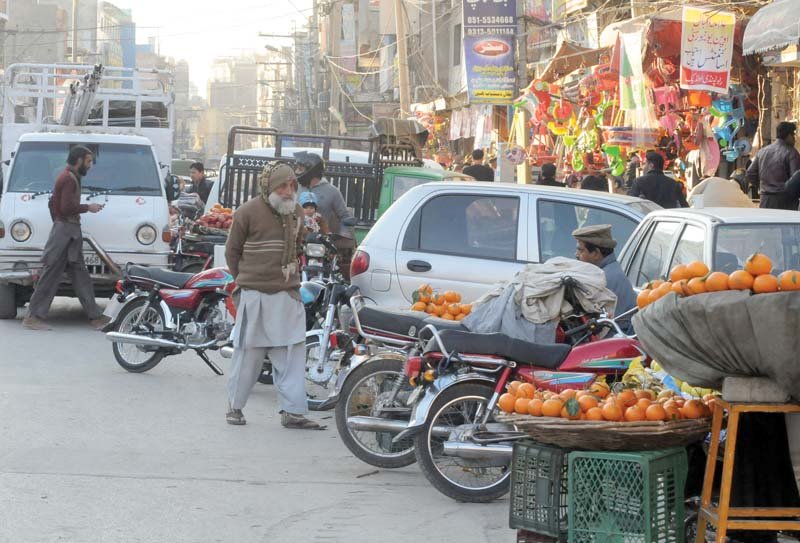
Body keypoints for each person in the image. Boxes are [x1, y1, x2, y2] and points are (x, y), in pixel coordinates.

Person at [224, 161, 325, 430]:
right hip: (255, 295)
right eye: (282, 185)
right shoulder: (247, 212)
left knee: (292, 354)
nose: (288, 191)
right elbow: (232, 252)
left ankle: (292, 412)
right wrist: (246, 280)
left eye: (292, 185)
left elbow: (299, 246)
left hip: (287, 295)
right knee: (248, 355)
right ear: (268, 187)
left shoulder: (297, 213)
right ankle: (235, 408)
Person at [22, 146, 110, 331]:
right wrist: (88, 208)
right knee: (50, 274)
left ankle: (95, 316)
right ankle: (33, 317)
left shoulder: (68, 177)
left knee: (80, 276)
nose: (90, 165)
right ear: (78, 161)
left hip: (68, 232)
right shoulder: (68, 179)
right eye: (88, 161)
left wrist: (61, 223)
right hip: (65, 233)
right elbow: (66, 208)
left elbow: (53, 205)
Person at [293, 151, 356, 279]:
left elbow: (344, 216)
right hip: (295, 239)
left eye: (300, 168)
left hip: (320, 241)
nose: (297, 171)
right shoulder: (294, 188)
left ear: (311, 170)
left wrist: (344, 235)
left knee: (333, 273)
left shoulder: (332, 191)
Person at [572, 224, 636, 334]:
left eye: (581, 251)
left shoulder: (604, 279)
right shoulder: (608, 271)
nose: (576, 255)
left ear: (596, 253)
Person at [745, 121, 800, 209]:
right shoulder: (791, 153)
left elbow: (750, 173)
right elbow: (796, 180)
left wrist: (763, 187)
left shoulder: (763, 151)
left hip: (765, 199)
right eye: (793, 135)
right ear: (788, 136)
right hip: (785, 202)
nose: (794, 138)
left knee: (766, 222)